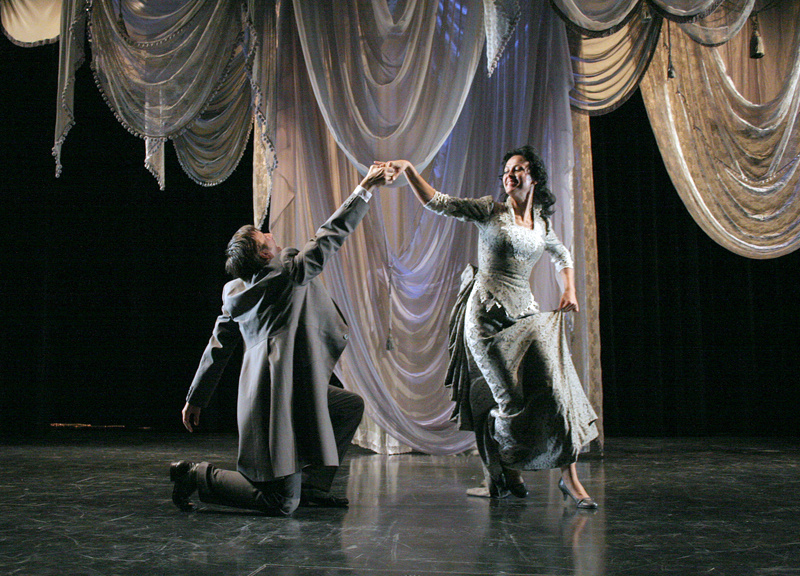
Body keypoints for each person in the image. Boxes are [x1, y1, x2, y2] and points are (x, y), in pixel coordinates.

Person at [380, 147, 599, 508]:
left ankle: (570, 479)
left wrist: (569, 289)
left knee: (555, 391)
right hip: (486, 319)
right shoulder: (489, 211)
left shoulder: (541, 224)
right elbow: (439, 202)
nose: (509, 175)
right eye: (506, 170)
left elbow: (562, 254)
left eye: (518, 169)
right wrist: (409, 170)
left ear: (534, 177)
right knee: (509, 402)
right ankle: (502, 471)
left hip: (525, 316)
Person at [170, 164, 389, 516]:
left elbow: (218, 346)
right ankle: (196, 475)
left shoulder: (234, 292)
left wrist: (195, 398)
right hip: (276, 400)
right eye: (264, 237)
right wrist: (364, 188)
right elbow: (330, 236)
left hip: (275, 390)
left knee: (348, 406)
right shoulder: (289, 271)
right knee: (281, 502)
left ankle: (313, 487)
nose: (271, 234)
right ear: (265, 254)